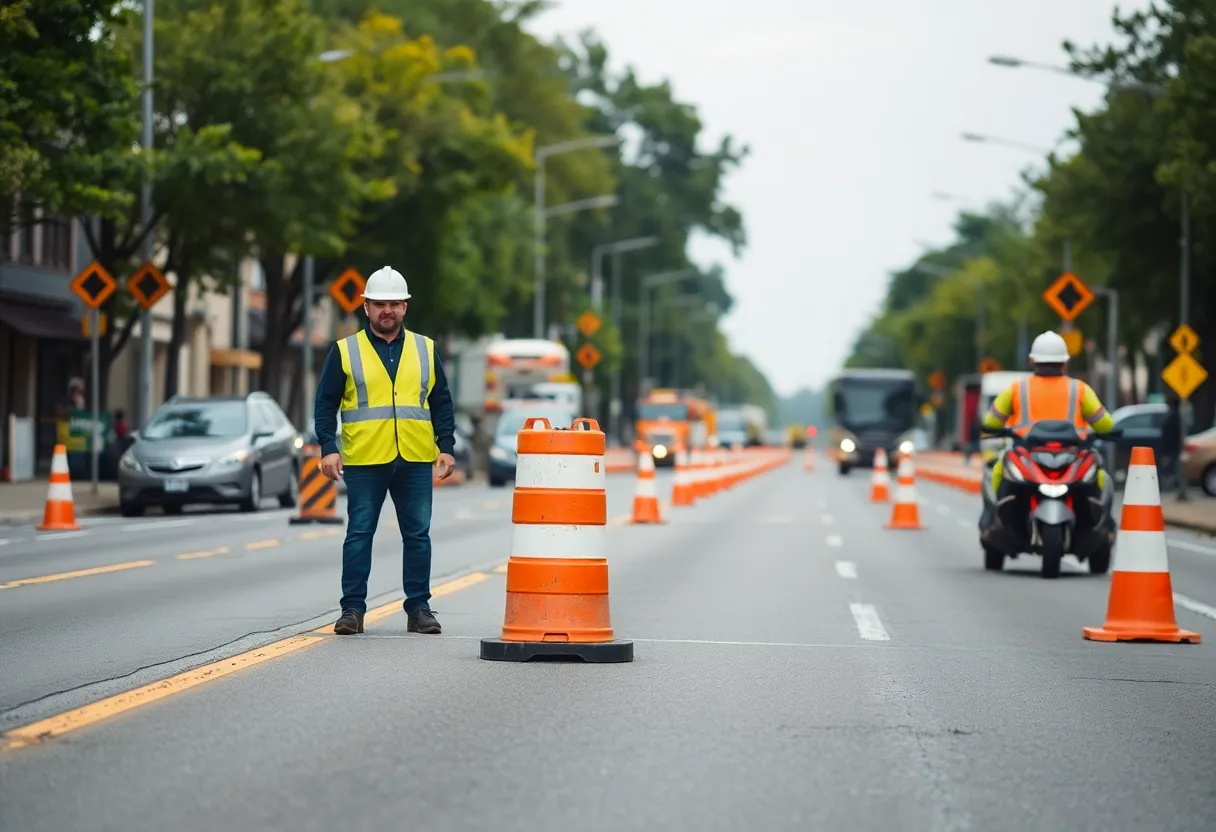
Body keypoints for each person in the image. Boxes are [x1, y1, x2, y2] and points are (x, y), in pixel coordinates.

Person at [313, 266, 457, 636]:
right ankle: (352, 611)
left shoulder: (426, 349)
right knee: (359, 533)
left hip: (413, 458)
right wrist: (329, 447)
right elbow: (325, 404)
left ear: (405, 307)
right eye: (379, 304)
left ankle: (419, 609)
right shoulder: (345, 351)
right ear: (366, 308)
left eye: (393, 303)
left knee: (418, 535)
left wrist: (447, 447)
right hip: (365, 460)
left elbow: (441, 402)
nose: (386, 310)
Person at [979, 330, 1116, 523]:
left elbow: (990, 423)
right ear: (1065, 363)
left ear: (1032, 361)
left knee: (998, 470)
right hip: (1072, 457)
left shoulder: (1017, 389)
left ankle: (993, 521)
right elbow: (1105, 425)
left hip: (1026, 455)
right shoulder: (1080, 389)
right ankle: (1102, 526)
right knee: (1102, 477)